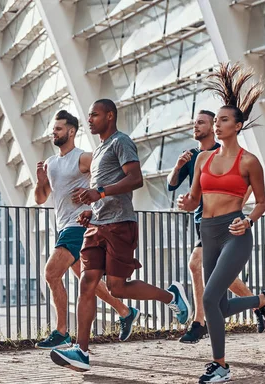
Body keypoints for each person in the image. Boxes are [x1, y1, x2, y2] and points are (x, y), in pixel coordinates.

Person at [50, 100, 191, 371]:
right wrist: (91, 210)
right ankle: (81, 351)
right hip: (97, 225)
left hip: (120, 225)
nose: (89, 119)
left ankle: (171, 297)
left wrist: (100, 192)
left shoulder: (120, 142)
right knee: (87, 283)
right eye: (88, 114)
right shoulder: (99, 149)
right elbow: (101, 191)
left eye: (94, 115)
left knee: (117, 287)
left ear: (110, 116)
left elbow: (135, 179)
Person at [178, 63, 265, 383]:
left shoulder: (249, 161)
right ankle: (263, 300)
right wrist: (186, 203)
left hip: (235, 231)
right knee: (219, 303)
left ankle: (219, 364)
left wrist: (248, 221)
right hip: (208, 232)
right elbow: (194, 198)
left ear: (237, 125)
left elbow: (261, 202)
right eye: (215, 120)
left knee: (208, 299)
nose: (217, 125)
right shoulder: (203, 158)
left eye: (223, 120)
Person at [34, 110, 139, 349]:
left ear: (71, 131)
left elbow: (112, 173)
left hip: (78, 225)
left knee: (51, 273)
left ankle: (61, 332)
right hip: (62, 227)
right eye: (53, 129)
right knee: (89, 281)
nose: (54, 133)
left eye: (59, 129)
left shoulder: (83, 158)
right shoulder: (50, 163)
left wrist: (95, 196)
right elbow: (40, 199)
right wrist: (40, 182)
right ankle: (125, 311)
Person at [167, 110, 265, 344]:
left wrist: (237, 212)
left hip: (225, 224)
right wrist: (178, 167)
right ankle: (260, 302)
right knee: (224, 281)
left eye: (201, 122)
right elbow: (173, 186)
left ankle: (199, 323)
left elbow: (249, 187)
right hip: (202, 224)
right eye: (195, 123)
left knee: (196, 266)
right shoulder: (195, 157)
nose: (196, 127)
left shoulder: (238, 158)